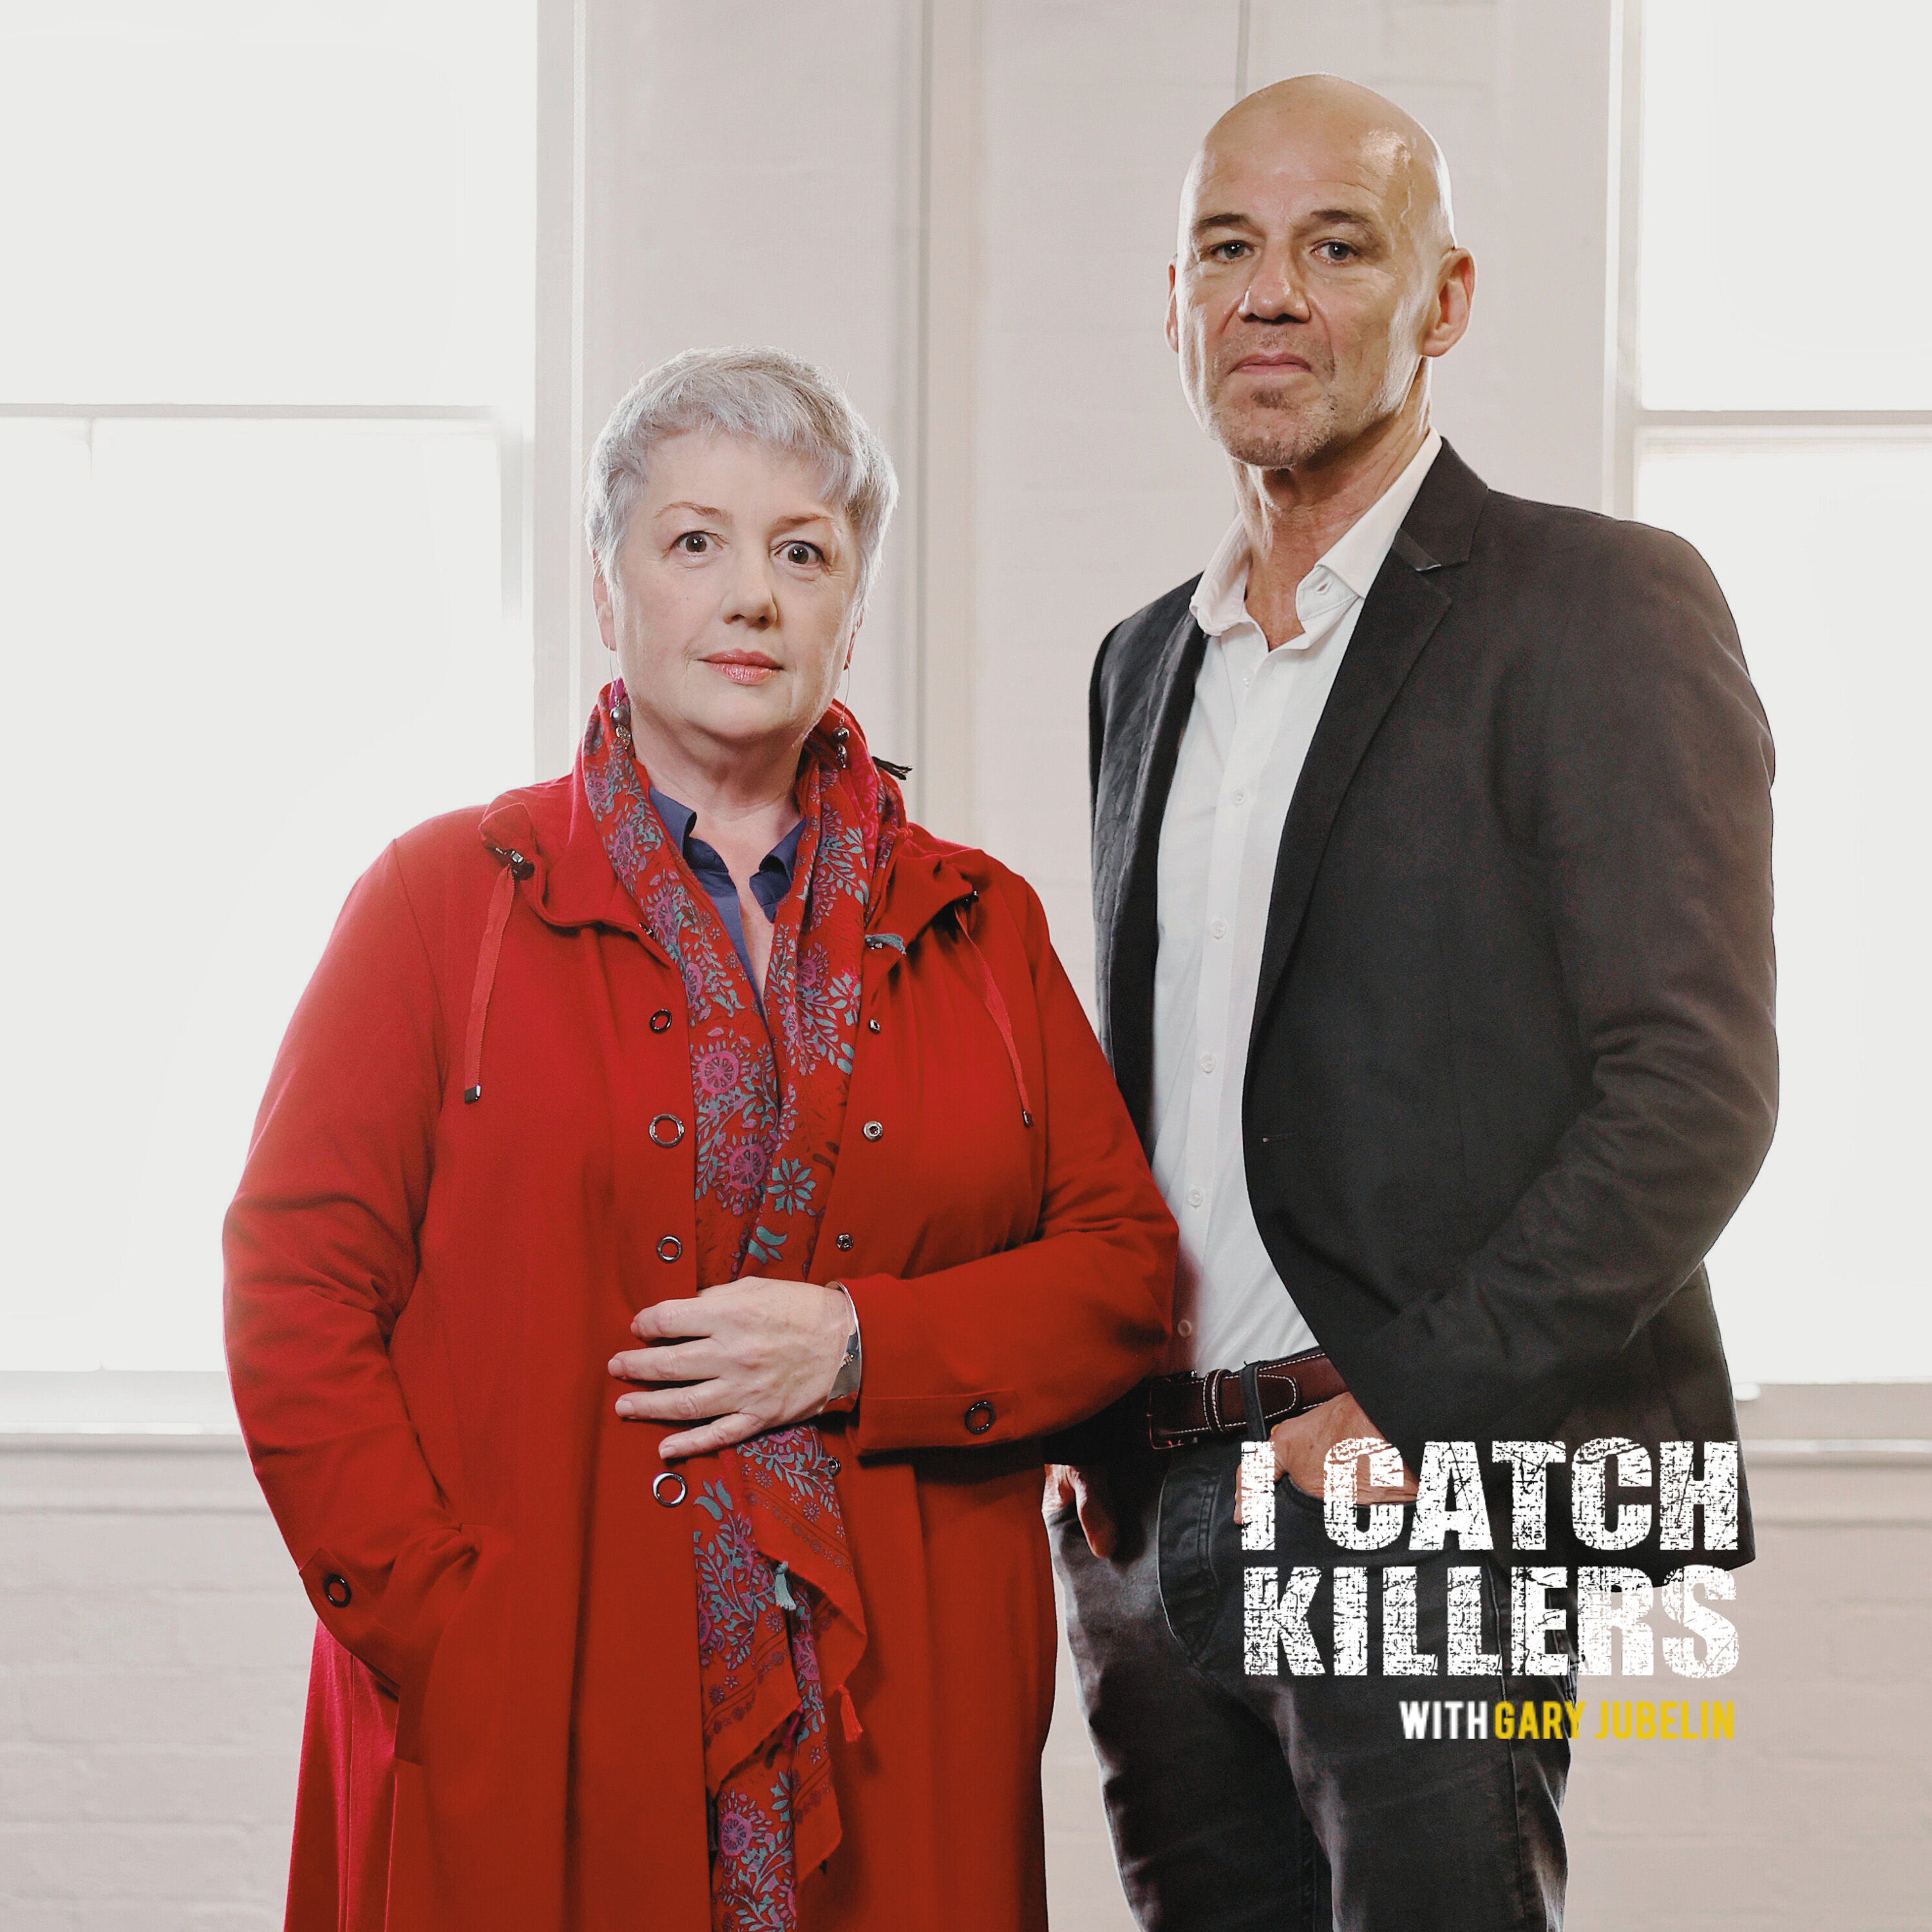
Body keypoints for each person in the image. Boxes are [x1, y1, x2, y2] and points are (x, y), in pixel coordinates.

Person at [224, 345, 1176, 1932]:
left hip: (901, 1719)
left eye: (803, 553)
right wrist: (445, 1627)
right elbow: (294, 1288)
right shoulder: (434, 906)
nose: (752, 597)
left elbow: (1123, 1277)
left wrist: (863, 1345)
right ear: (607, 591)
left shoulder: (982, 926)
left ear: (850, 613)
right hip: (531, 1698)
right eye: (694, 542)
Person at [1047, 75, 1775, 1931]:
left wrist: (1414, 1405)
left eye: (1337, 247)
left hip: (1423, 1499)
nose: (1271, 294)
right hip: (1159, 1511)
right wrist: (1087, 1429)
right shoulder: (1142, 664)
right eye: (1228, 248)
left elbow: (1692, 1089)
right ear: (1173, 303)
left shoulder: (1597, 606)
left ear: (1443, 300)